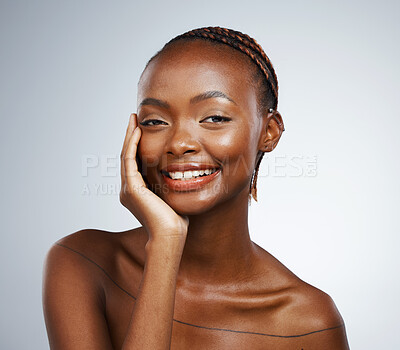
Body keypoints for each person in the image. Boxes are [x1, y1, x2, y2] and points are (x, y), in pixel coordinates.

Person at [42, 26, 350, 349]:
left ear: (269, 131)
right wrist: (165, 242)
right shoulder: (83, 265)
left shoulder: (309, 323)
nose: (179, 143)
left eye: (214, 118)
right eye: (155, 121)